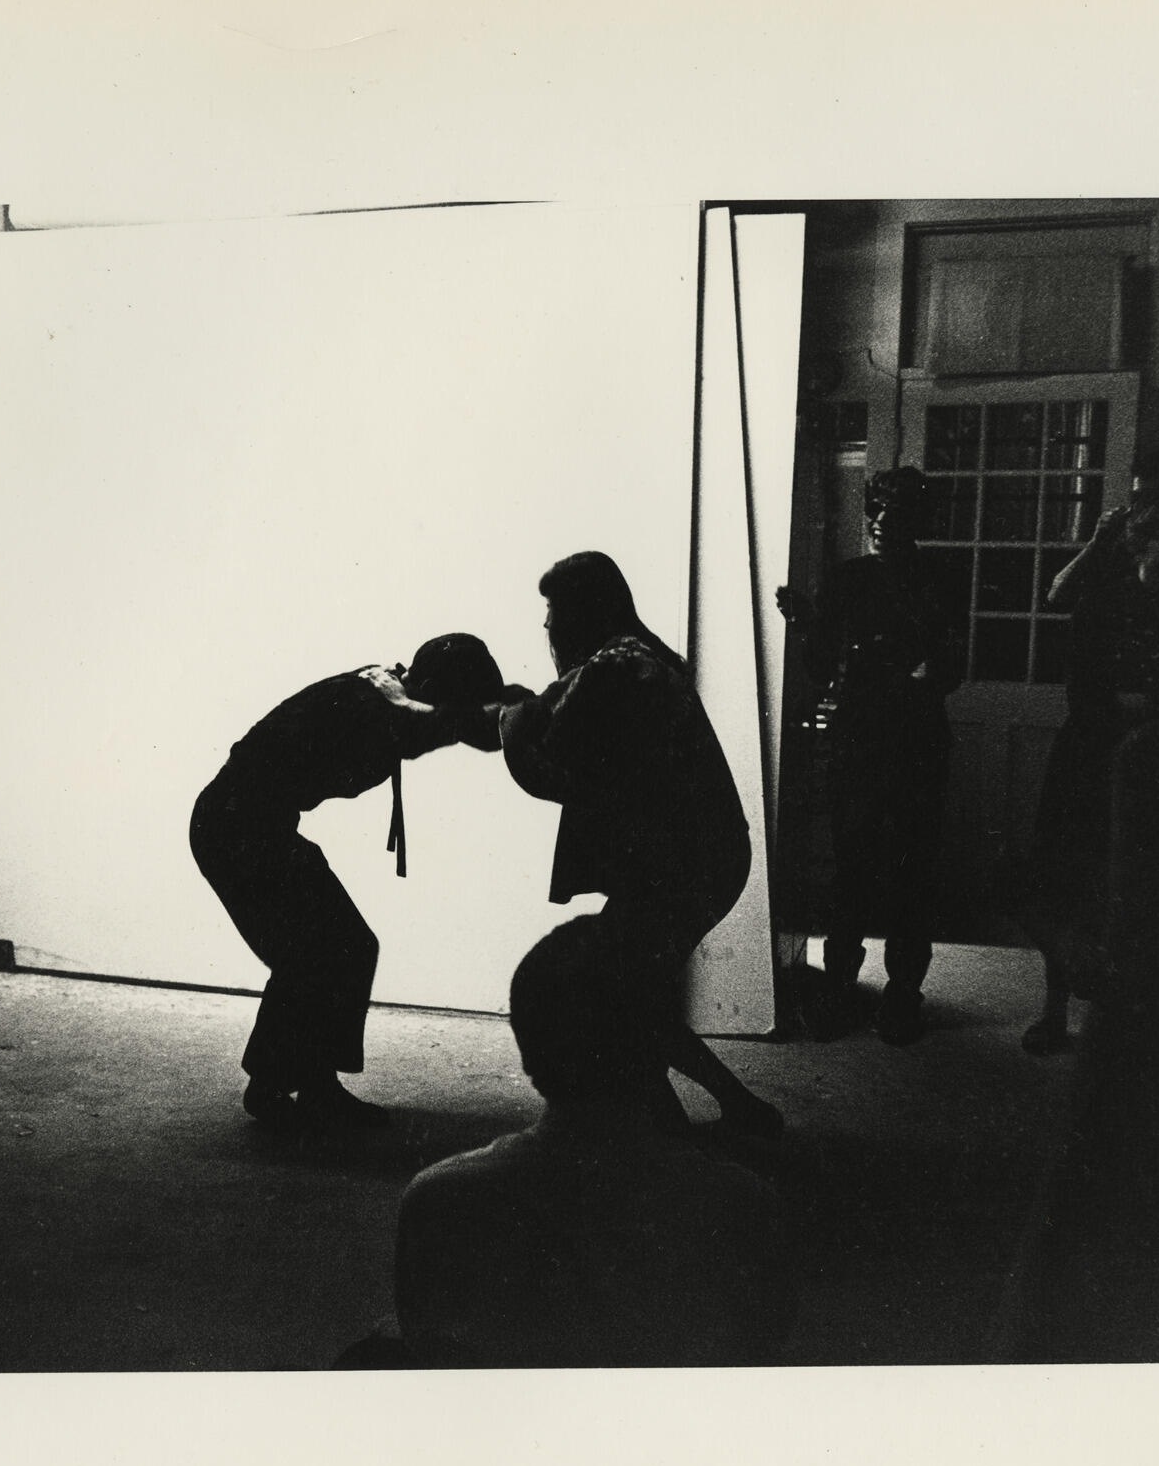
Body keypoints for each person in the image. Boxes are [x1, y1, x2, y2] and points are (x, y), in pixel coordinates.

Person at [381, 916, 794, 1367]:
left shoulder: (437, 1201)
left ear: (525, 1049)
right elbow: (760, 1351)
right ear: (664, 1050)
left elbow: (426, 1339)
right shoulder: (744, 1206)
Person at [494, 551, 783, 1139]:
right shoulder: (634, 656)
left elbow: (553, 772)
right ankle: (713, 1115)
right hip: (700, 856)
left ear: (582, 612)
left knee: (625, 997)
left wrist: (510, 730)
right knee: (630, 992)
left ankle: (701, 1124)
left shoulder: (612, 670)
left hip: (679, 866)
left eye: (553, 610)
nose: (546, 626)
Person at [190, 634, 514, 1129]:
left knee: (340, 946)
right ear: (426, 689)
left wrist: (517, 708)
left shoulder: (388, 693)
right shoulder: (376, 705)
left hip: (254, 825)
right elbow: (449, 723)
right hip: (234, 828)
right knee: (320, 950)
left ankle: (308, 1087)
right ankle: (277, 1089)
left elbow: (467, 728)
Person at [775, 465, 964, 1046]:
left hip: (915, 742)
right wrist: (808, 627)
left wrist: (910, 674)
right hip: (857, 741)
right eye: (875, 509)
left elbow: (952, 668)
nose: (882, 522)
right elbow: (819, 668)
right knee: (850, 870)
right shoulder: (846, 579)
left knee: (912, 870)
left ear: (919, 521)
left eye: (897, 512)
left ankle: (904, 994)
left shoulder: (941, 578)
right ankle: (839, 990)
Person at [1018, 447, 1159, 1054]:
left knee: (1138, 882)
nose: (1144, 507)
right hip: (1090, 745)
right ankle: (1054, 1009)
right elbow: (1056, 596)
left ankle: (1132, 1020)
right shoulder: (1111, 566)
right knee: (1065, 873)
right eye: (1138, 493)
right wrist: (1098, 546)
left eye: (1158, 496)